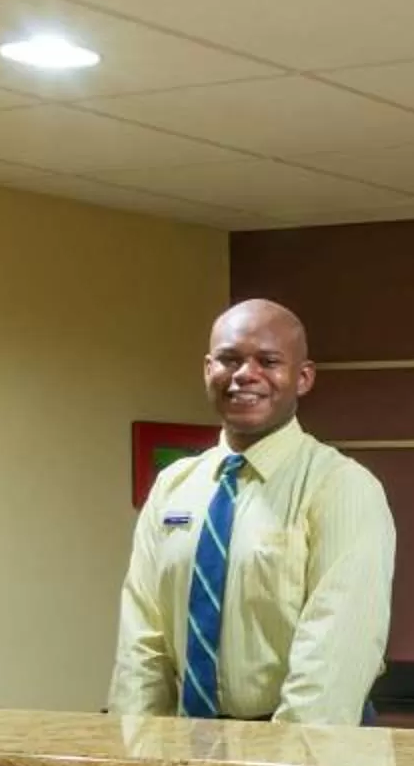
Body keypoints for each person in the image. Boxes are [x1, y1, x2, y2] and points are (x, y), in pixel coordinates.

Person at [107, 299, 395, 724]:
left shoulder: (341, 487)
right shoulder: (174, 487)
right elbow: (142, 641)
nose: (245, 374)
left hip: (305, 751)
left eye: (269, 361)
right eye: (229, 359)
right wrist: (134, 752)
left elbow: (333, 659)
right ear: (208, 370)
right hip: (185, 747)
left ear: (303, 377)